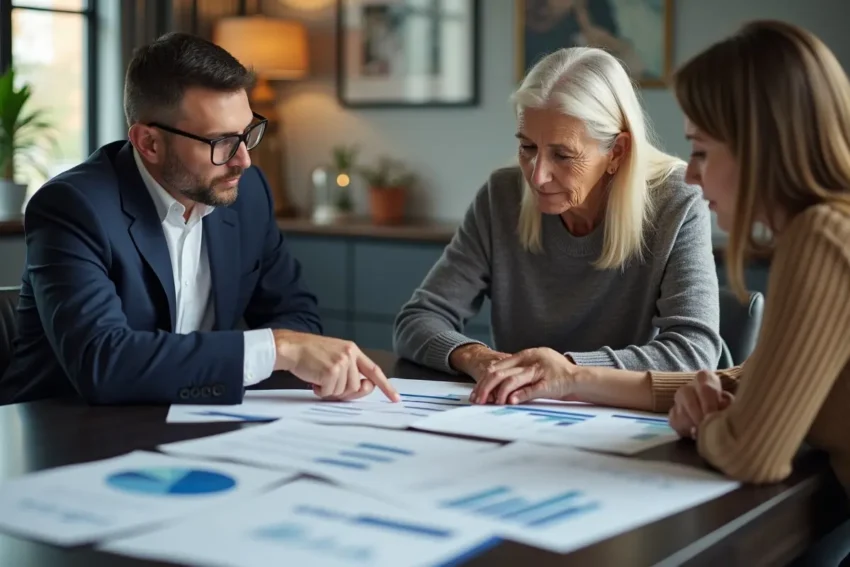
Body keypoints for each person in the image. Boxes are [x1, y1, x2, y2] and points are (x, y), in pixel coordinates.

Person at [472, 19, 850, 501]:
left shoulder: (821, 238)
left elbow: (751, 454)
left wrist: (707, 422)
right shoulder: (831, 229)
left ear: (762, 149)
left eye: (701, 151)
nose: (691, 175)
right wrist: (572, 378)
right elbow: (753, 379)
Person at [0, 32, 398, 406]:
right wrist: (279, 349)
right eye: (221, 141)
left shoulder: (247, 192)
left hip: (193, 419)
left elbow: (296, 313)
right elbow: (104, 361)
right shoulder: (73, 206)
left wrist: (293, 348)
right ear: (149, 143)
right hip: (61, 431)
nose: (243, 159)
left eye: (247, 133)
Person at [394, 46, 723, 396]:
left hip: (624, 425)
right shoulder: (501, 197)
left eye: (563, 155)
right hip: (520, 416)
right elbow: (417, 319)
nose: (537, 178)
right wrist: (478, 357)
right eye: (527, 148)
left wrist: (566, 373)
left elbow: (694, 353)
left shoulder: (676, 200)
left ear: (617, 152)